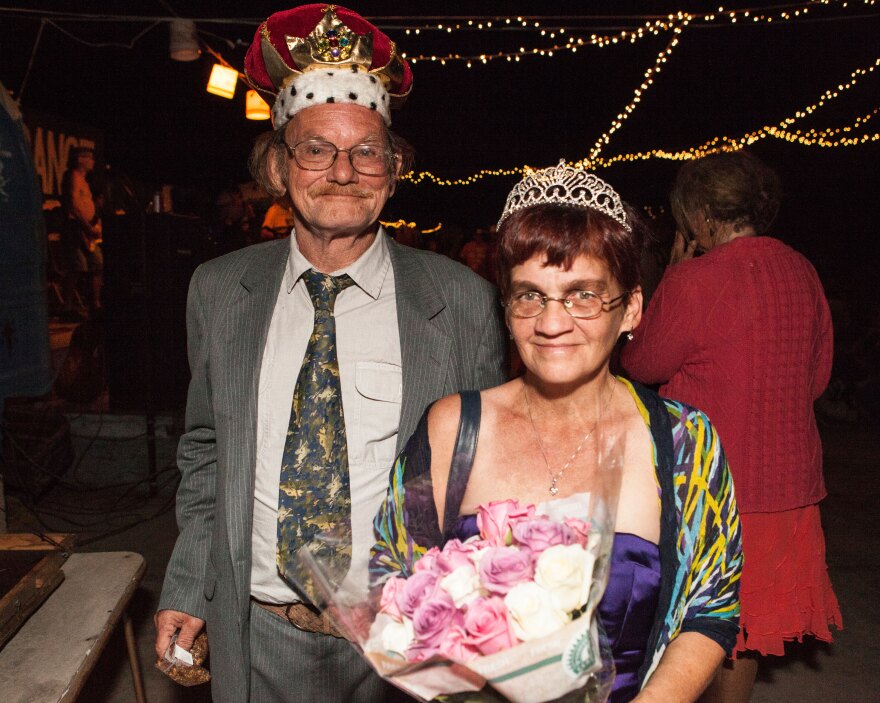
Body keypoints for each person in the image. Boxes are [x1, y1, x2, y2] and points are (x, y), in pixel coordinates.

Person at [154, 6, 506, 702]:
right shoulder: (220, 292)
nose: (343, 171)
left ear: (392, 170)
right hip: (258, 635)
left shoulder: (461, 300)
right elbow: (205, 450)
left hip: (405, 637)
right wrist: (190, 582)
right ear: (280, 168)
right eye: (316, 149)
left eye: (366, 150)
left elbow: (489, 474)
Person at [371, 161, 743, 702]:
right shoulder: (453, 426)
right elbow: (390, 581)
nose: (551, 322)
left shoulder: (683, 441)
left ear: (631, 308)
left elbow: (712, 608)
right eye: (530, 295)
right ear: (506, 308)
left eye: (583, 295)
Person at [621, 150, 841, 702]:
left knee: (685, 620)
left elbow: (642, 364)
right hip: (786, 488)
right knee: (743, 630)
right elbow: (817, 378)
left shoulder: (694, 278)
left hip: (709, 485)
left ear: (699, 216)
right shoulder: (803, 269)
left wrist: (671, 272)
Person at [60, 146, 103, 316]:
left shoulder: (85, 181)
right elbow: (74, 206)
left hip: (88, 231)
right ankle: (67, 306)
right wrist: (87, 227)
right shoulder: (73, 177)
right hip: (76, 229)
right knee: (77, 267)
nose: (92, 161)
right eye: (89, 157)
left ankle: (96, 304)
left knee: (97, 264)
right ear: (80, 159)